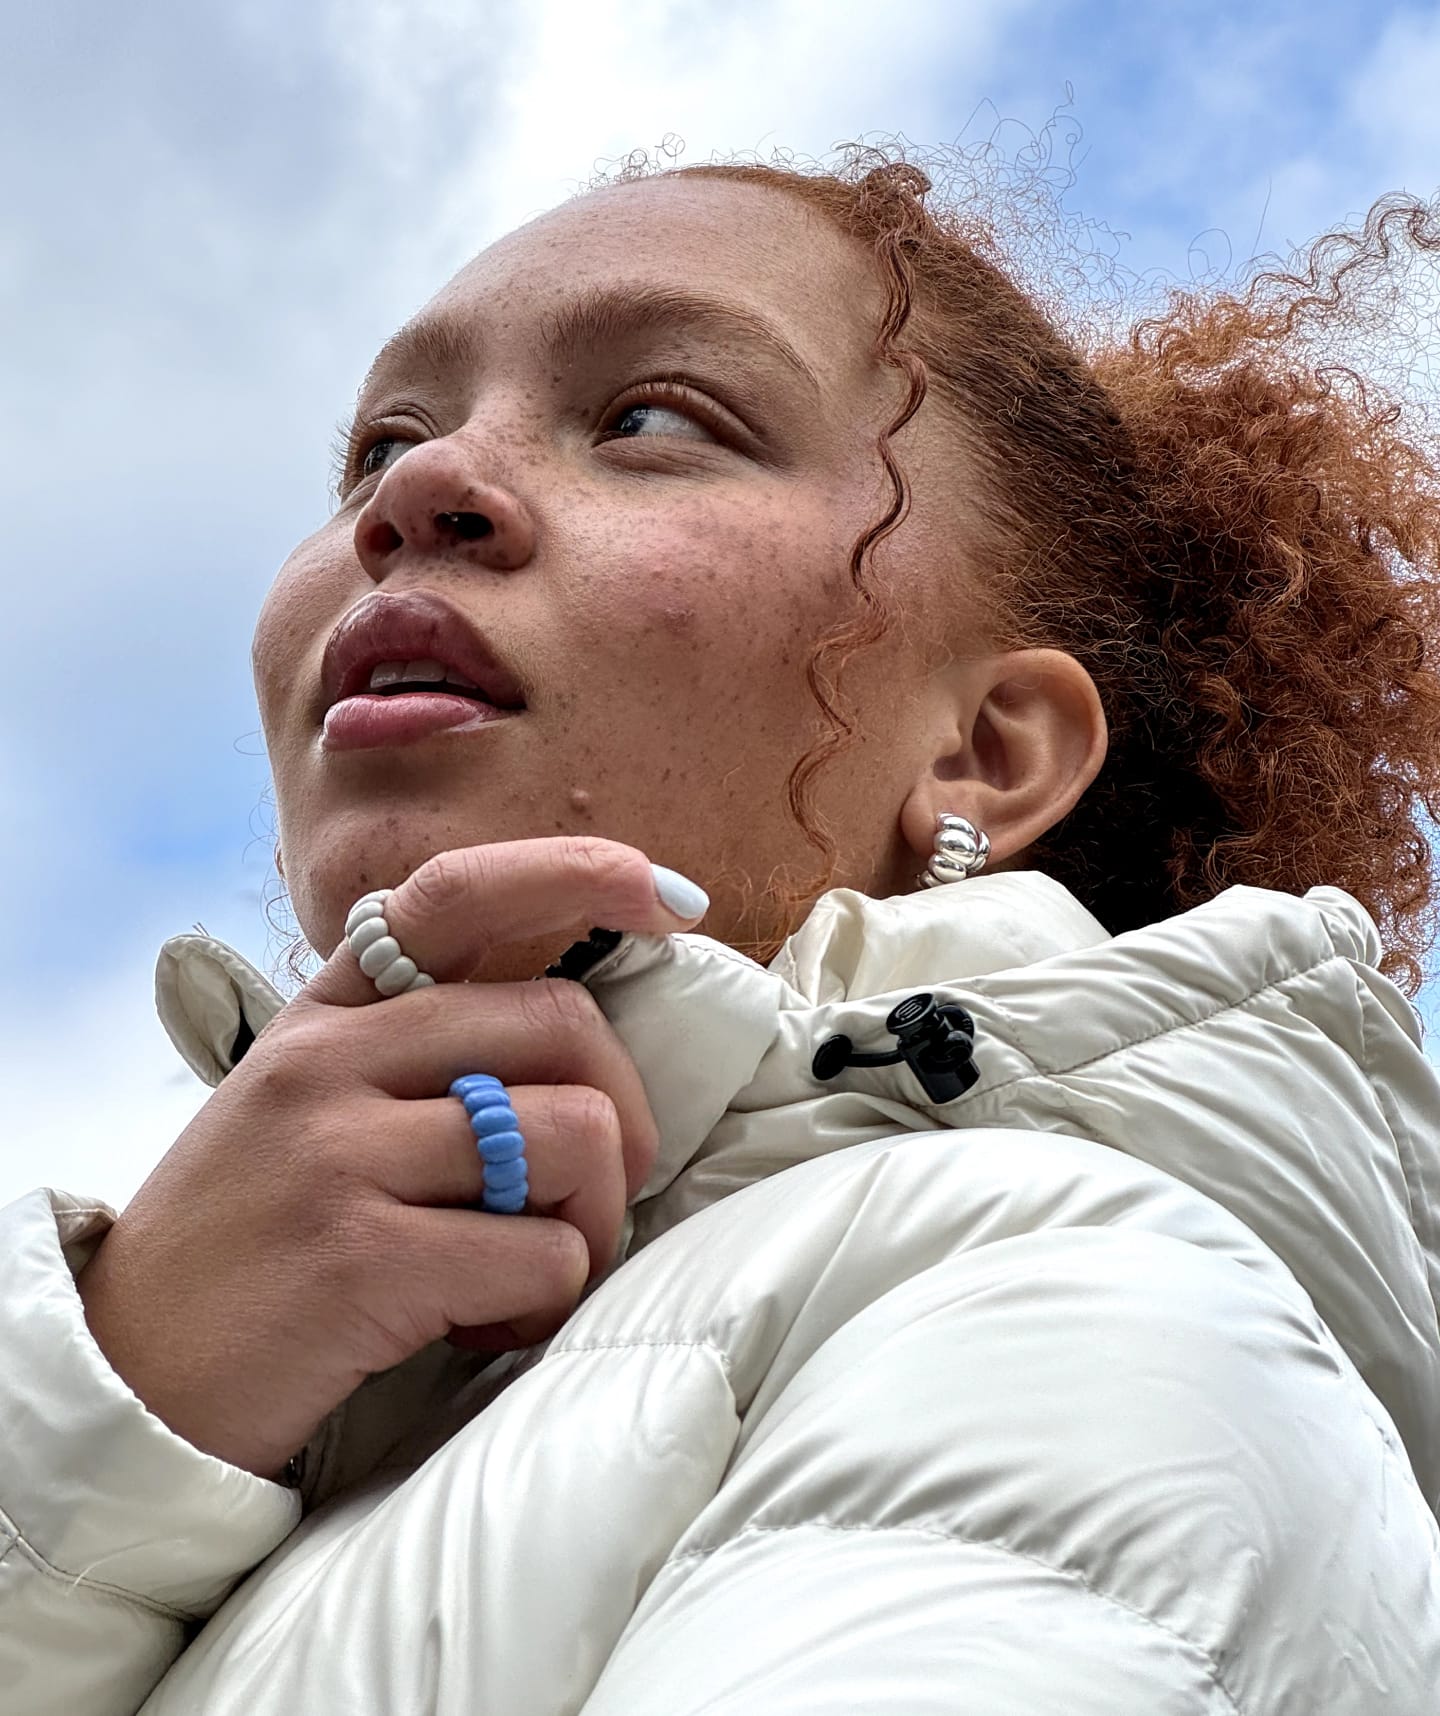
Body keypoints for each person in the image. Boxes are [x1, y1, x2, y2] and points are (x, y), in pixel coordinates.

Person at [4, 147, 1439, 1714]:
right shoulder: (250, 1415)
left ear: (986, 753)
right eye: (377, 447)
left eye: (652, 420)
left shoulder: (1066, 1299)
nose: (414, 495)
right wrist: (100, 1418)